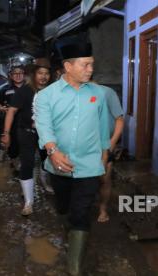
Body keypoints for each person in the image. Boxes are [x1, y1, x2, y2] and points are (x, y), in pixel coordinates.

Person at [34, 38, 110, 275]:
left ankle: (74, 267)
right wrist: (53, 151)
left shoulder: (99, 94)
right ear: (68, 66)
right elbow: (44, 126)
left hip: (89, 164)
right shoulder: (47, 96)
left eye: (91, 65)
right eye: (85, 65)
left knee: (81, 211)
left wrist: (104, 155)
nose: (90, 69)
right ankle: (69, 228)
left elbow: (103, 127)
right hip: (59, 165)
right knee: (64, 206)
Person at [1, 58, 52, 216]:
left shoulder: (53, 91)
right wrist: (6, 133)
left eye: (47, 73)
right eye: (40, 73)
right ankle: (29, 201)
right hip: (26, 132)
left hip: (47, 133)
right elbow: (11, 111)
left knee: (47, 160)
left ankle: (45, 182)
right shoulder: (24, 91)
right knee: (27, 163)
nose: (43, 77)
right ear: (34, 74)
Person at [97, 85, 124, 222]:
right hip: (83, 145)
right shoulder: (74, 93)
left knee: (104, 179)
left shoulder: (108, 92)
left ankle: (103, 209)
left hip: (104, 144)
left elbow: (119, 119)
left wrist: (112, 143)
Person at [0, 65, 26, 167]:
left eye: (20, 73)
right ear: (11, 76)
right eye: (15, 73)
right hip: (11, 122)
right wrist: (2, 108)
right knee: (12, 144)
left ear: (24, 75)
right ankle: (14, 162)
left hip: (27, 121)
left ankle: (25, 164)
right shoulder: (4, 89)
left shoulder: (30, 88)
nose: (18, 75)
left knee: (26, 144)